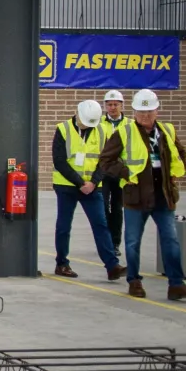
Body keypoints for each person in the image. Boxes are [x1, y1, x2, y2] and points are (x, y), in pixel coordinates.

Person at [98, 89, 186, 300]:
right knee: (132, 242)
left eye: (149, 111)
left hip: (163, 195)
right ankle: (134, 281)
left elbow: (181, 154)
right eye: (141, 112)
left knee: (171, 241)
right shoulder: (125, 132)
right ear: (134, 112)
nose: (145, 116)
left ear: (157, 110)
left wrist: (176, 172)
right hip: (136, 196)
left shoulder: (167, 130)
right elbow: (105, 161)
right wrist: (126, 173)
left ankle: (176, 284)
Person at [52, 100, 123, 279]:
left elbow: (105, 160)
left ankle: (112, 266)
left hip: (93, 187)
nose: (87, 125)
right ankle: (62, 263)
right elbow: (59, 160)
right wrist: (79, 183)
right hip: (66, 185)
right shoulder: (63, 129)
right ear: (77, 113)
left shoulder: (102, 130)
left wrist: (92, 182)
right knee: (63, 226)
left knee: (101, 224)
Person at [99, 89, 131, 249]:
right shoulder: (98, 124)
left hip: (120, 172)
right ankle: (105, 241)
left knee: (117, 208)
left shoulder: (130, 124)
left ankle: (115, 242)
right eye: (109, 104)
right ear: (105, 106)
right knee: (103, 206)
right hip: (103, 171)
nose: (112, 107)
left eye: (115, 104)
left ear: (122, 105)